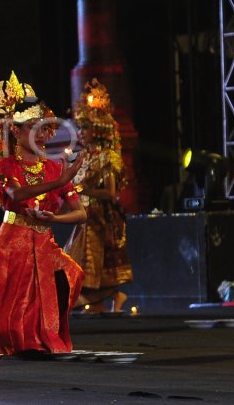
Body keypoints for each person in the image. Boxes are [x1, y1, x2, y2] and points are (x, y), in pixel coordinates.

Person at [0, 71, 87, 356]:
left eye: (43, 127)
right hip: (12, 241)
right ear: (15, 131)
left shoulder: (54, 167)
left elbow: (80, 214)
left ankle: (41, 339)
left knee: (72, 273)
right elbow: (16, 195)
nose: (42, 133)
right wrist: (58, 182)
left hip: (43, 241)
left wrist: (55, 219)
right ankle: (21, 343)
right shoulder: (6, 165)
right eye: (32, 127)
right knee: (11, 316)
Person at [64, 79, 132, 313]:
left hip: (98, 217)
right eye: (79, 128)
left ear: (98, 130)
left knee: (91, 261)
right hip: (83, 215)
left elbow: (111, 193)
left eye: (85, 128)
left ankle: (101, 296)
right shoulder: (82, 156)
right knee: (77, 258)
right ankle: (103, 298)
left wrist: (86, 191)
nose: (81, 133)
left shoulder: (106, 157)